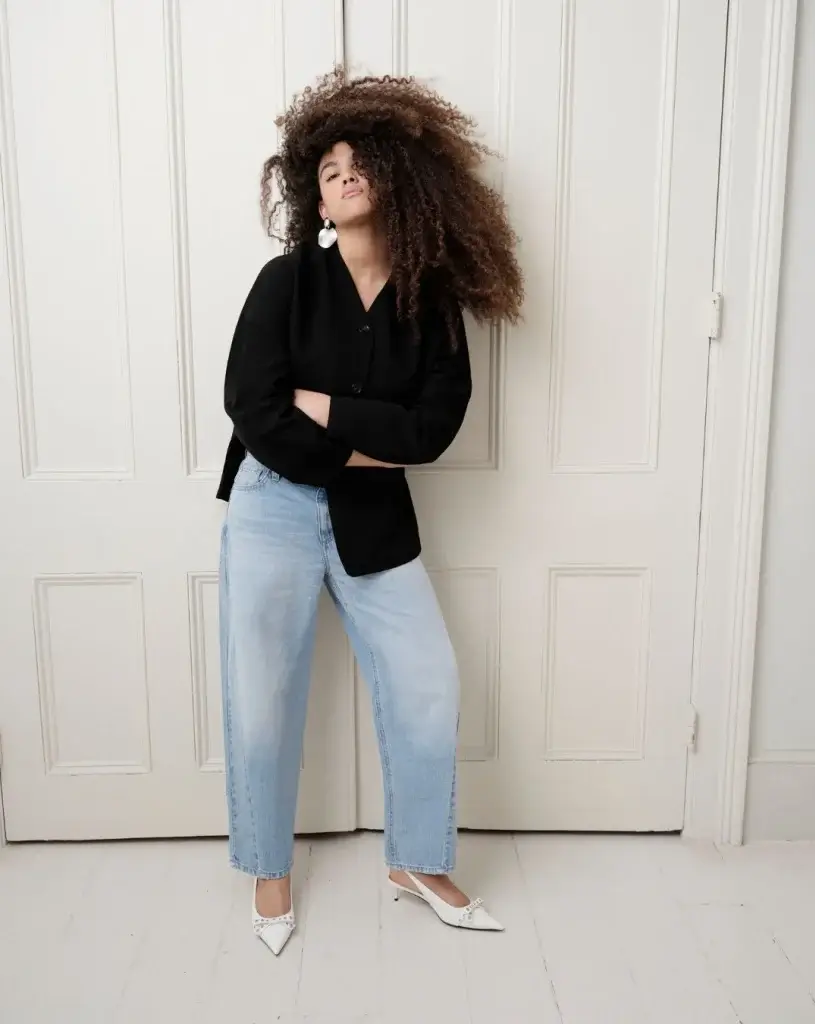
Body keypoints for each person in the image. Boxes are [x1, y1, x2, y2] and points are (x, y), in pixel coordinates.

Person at [217, 69, 523, 956]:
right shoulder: (286, 281)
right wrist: (360, 443)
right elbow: (253, 406)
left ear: (398, 177)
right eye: (328, 169)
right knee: (262, 695)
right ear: (314, 193)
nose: (343, 176)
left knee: (428, 684)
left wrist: (326, 410)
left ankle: (417, 861)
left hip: (374, 516)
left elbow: (430, 431)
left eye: (360, 163)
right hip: (271, 504)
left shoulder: (432, 303)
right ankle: (269, 867)